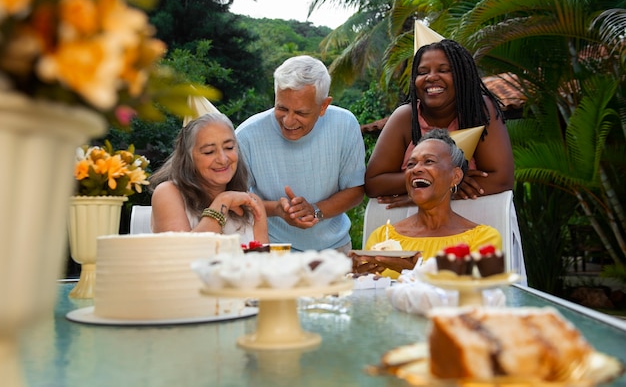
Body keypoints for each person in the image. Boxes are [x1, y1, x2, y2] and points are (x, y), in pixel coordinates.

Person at [235, 55, 366, 253]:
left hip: (335, 249)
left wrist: (316, 210)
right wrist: (277, 210)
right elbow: (235, 201)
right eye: (282, 108)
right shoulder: (246, 135)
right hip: (270, 249)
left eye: (301, 113)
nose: (288, 121)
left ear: (323, 106)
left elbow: (355, 190)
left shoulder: (345, 124)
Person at [365, 39, 514, 207]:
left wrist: (428, 190)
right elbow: (374, 183)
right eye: (422, 72)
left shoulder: (479, 110)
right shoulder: (405, 117)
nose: (431, 77)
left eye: (444, 70)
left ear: (463, 76)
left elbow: (501, 179)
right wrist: (443, 182)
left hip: (476, 221)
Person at [352, 128, 502, 278]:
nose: (416, 169)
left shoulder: (483, 240)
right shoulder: (382, 237)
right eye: (411, 164)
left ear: (455, 176)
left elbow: (479, 296)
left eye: (429, 161)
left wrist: (414, 270)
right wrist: (355, 275)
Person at [149, 112, 268, 245]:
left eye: (229, 147)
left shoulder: (252, 204)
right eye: (209, 152)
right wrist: (223, 202)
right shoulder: (168, 193)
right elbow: (182, 254)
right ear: (188, 158)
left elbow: (264, 262)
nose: (223, 159)